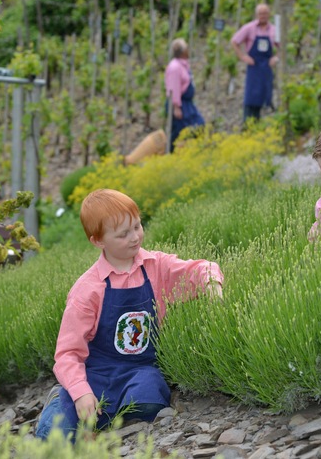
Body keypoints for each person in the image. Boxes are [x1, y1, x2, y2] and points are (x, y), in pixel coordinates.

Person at [35, 189, 223, 441]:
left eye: (137, 226)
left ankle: (108, 426)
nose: (135, 237)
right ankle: (63, 398)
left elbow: (202, 268)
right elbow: (68, 352)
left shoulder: (157, 267)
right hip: (96, 375)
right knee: (54, 433)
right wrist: (81, 392)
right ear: (98, 241)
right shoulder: (88, 289)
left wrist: (211, 284)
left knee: (149, 403)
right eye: (123, 234)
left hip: (140, 369)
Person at [230, 3, 279, 123]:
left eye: (265, 13)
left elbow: (281, 47)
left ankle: (261, 123)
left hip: (266, 67)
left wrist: (276, 57)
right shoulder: (249, 28)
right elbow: (234, 41)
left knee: (266, 94)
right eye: (261, 13)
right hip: (254, 67)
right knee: (251, 96)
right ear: (257, 15)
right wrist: (243, 57)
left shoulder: (274, 30)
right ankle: (247, 123)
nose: (263, 16)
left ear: (269, 14)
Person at [164, 38, 205, 147]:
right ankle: (169, 153)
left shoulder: (183, 64)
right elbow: (173, 88)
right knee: (179, 132)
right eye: (186, 47)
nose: (188, 50)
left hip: (187, 104)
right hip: (179, 104)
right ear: (182, 52)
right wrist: (176, 107)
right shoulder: (175, 67)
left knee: (198, 126)